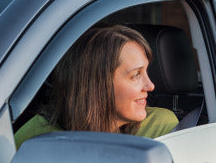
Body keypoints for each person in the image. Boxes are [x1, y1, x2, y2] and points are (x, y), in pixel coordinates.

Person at [14, 25, 179, 148]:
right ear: (98, 84)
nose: (150, 86)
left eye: (146, 72)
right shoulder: (36, 138)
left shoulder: (161, 128)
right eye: (136, 75)